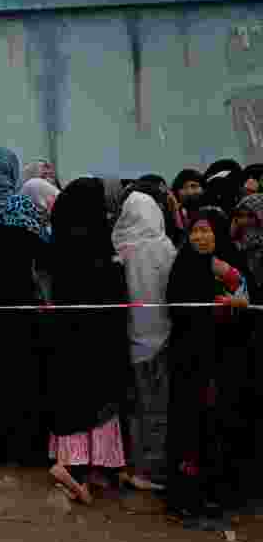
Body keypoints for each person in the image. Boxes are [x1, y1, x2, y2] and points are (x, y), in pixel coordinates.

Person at [45, 178, 130, 504]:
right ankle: (95, 466)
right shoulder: (99, 245)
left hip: (66, 339)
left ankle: (70, 463)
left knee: (71, 398)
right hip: (101, 341)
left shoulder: (61, 243)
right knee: (99, 399)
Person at [166, 208, 254, 520]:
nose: (200, 237)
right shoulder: (183, 266)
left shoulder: (235, 263)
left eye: (206, 231)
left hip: (227, 361)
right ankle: (188, 495)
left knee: (224, 422)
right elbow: (178, 309)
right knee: (191, 425)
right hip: (191, 362)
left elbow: (250, 307)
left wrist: (237, 303)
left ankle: (224, 492)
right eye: (195, 231)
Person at [0, 148, 50, 467]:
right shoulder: (23, 208)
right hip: (20, 308)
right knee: (21, 379)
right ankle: (20, 448)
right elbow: (43, 252)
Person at [112, 191, 176, 490]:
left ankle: (130, 464)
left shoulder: (119, 248)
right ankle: (150, 469)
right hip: (162, 340)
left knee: (133, 407)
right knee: (158, 409)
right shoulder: (165, 248)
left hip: (128, 342)